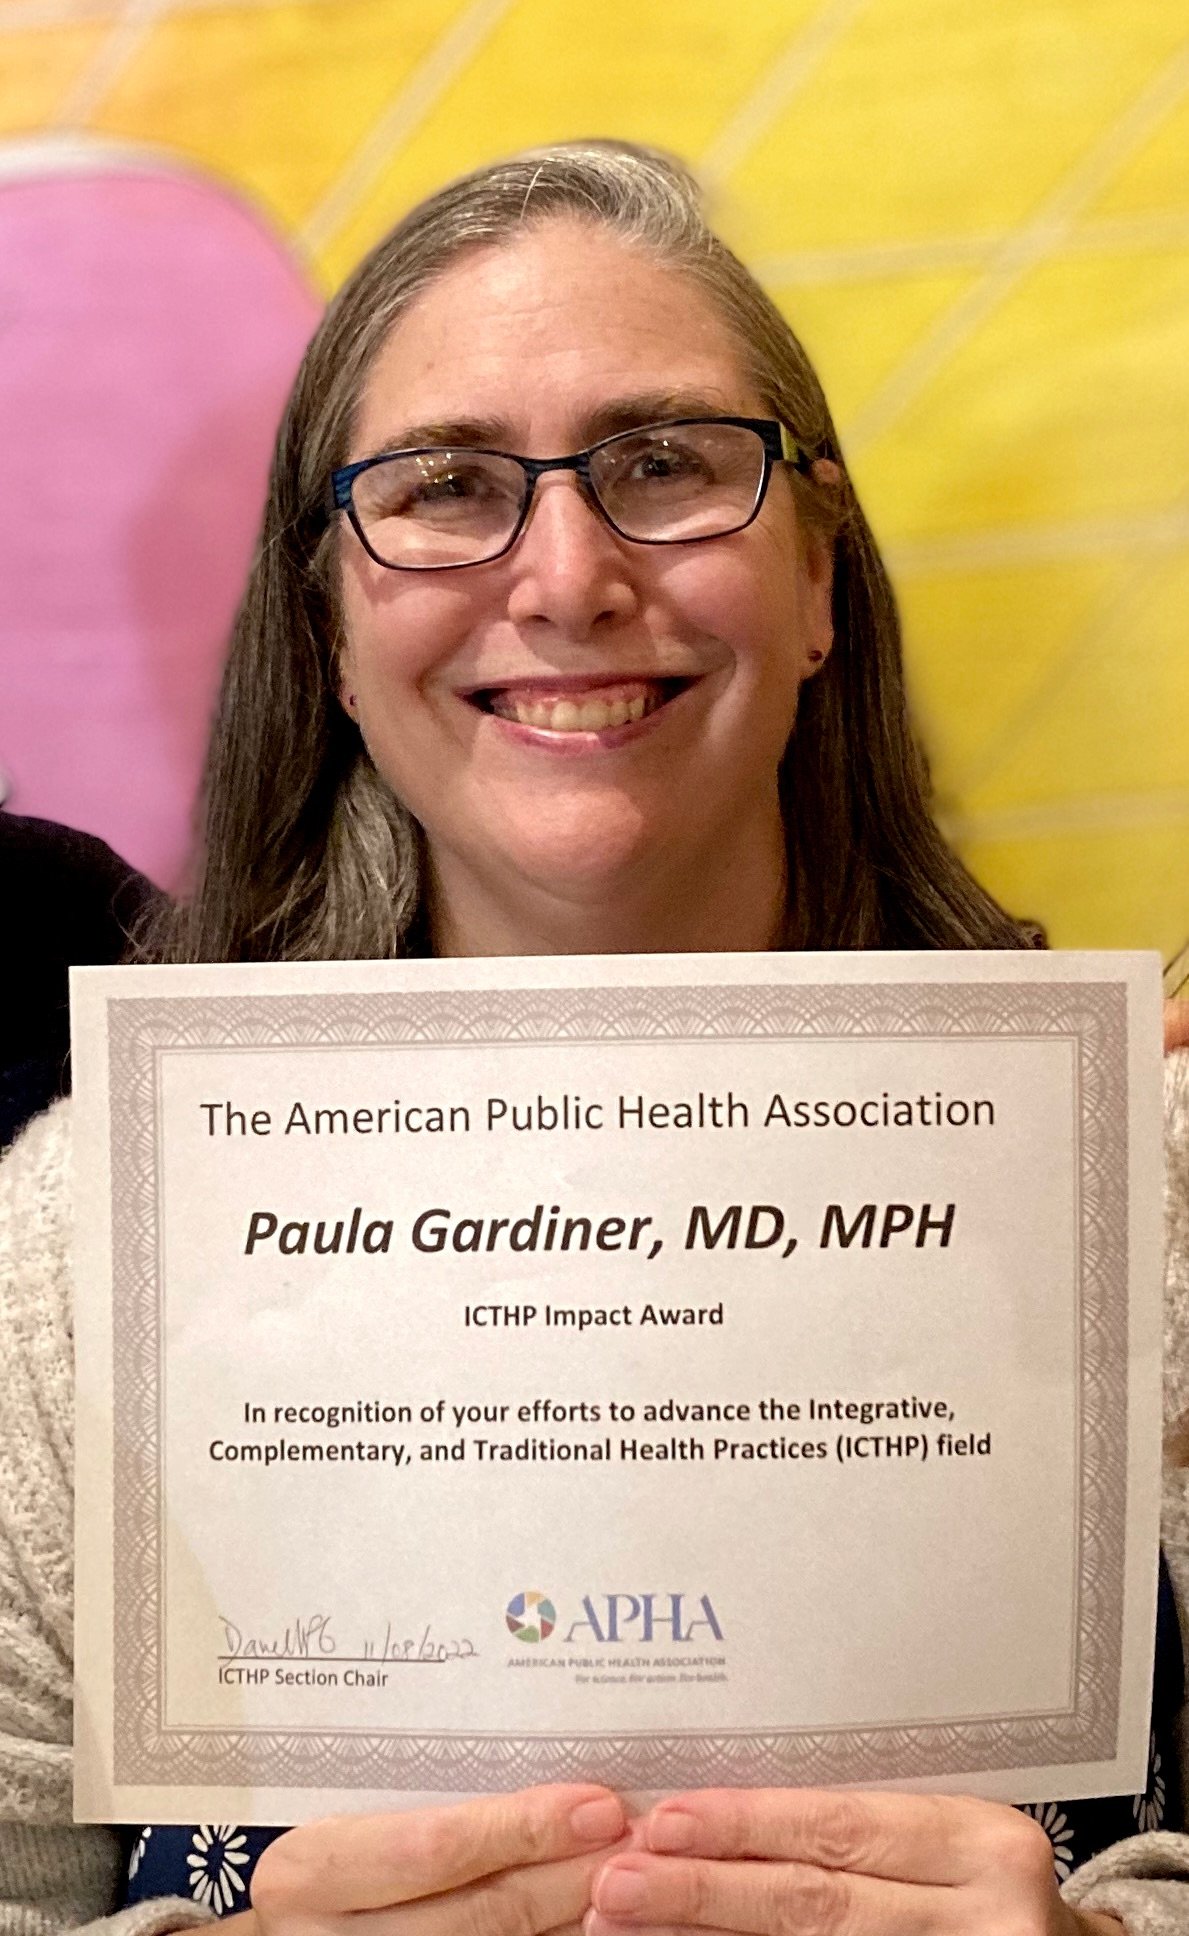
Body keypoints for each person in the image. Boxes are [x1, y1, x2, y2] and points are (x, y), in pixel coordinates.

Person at [1, 141, 1185, 1936]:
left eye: (663, 466)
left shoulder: (1148, 1178)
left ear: (816, 577)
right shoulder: (81, 1230)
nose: (564, 578)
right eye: (444, 487)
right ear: (330, 631)